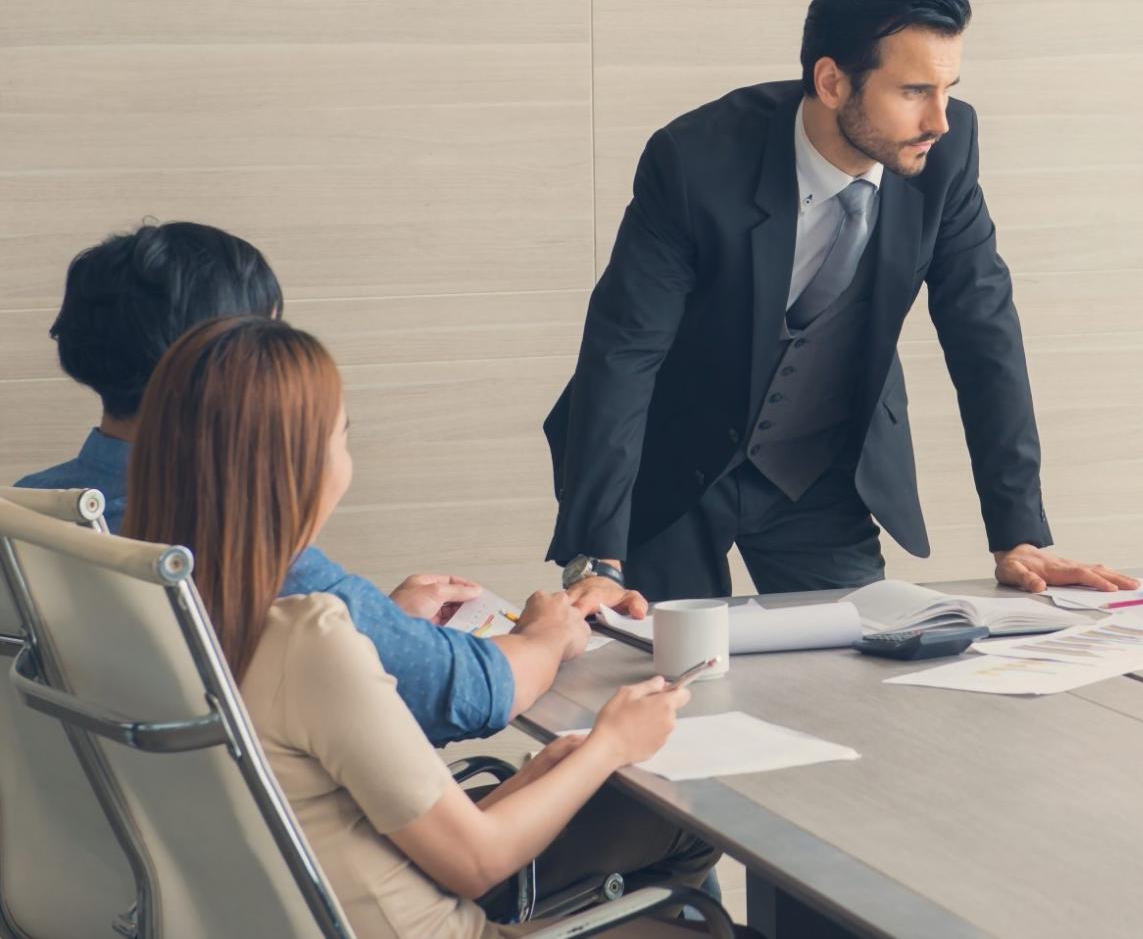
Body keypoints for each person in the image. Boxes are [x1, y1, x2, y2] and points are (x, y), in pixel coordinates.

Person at [547, 0, 1136, 606]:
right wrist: (596, 556)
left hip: (815, 470)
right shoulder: (696, 161)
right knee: (671, 670)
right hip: (668, 461)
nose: (938, 120)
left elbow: (984, 333)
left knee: (871, 656)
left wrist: (1018, 535)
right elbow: (623, 352)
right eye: (913, 91)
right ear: (831, 83)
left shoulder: (945, 151)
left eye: (948, 90)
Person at [121, 315, 719, 937]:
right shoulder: (306, 639)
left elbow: (344, 820)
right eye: (342, 438)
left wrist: (552, 772)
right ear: (300, 465)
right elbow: (476, 861)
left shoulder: (144, 613)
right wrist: (609, 745)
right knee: (692, 841)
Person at [15, 221, 598, 745]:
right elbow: (464, 692)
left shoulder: (31, 515)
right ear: (218, 364)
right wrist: (546, 636)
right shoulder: (235, 548)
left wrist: (374, 625)